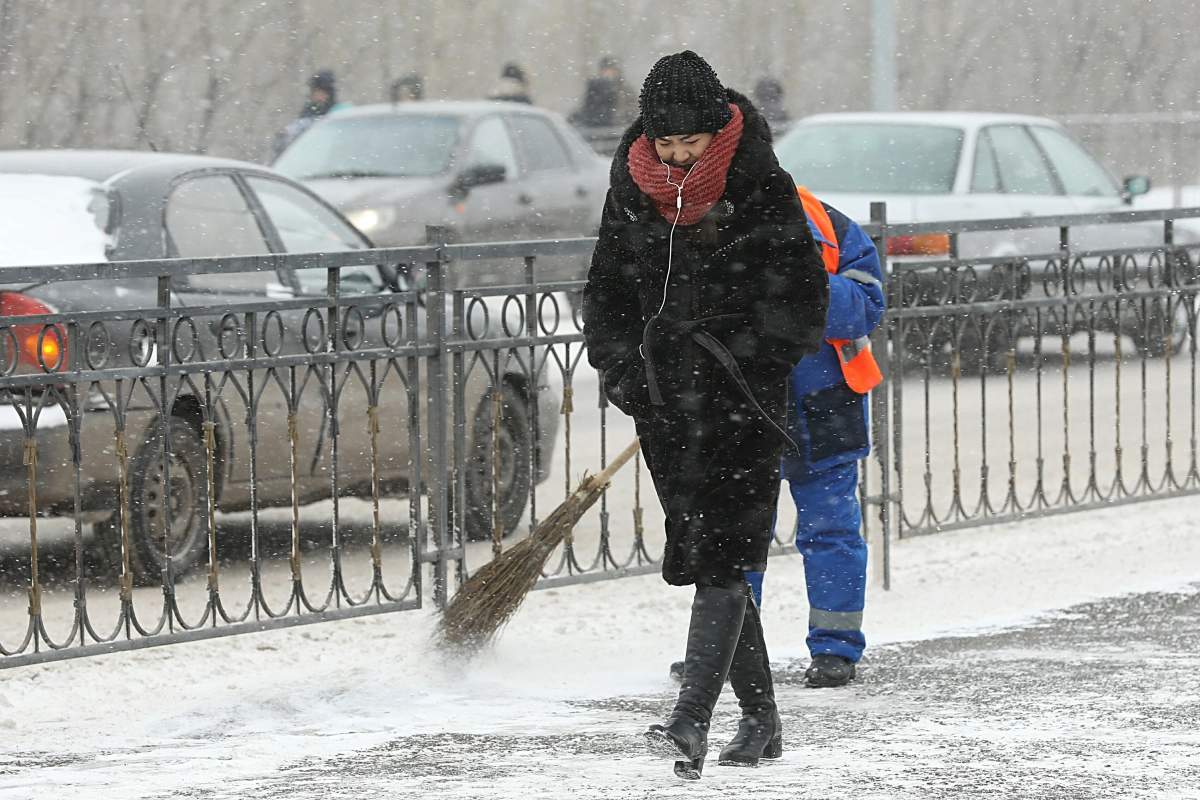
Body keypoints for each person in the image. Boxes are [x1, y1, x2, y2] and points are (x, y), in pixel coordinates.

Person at [582, 51, 829, 779]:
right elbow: (604, 292)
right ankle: (761, 718)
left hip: (741, 402)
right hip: (663, 401)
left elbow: (801, 298)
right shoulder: (629, 191)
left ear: (718, 128)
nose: (678, 153)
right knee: (706, 554)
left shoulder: (762, 187)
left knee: (727, 551)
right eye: (666, 142)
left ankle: (690, 720)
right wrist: (624, 371)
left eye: (690, 141)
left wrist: (747, 358)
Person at [668, 191, 884, 690]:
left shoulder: (829, 225)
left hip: (824, 405)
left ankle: (835, 647)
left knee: (830, 528)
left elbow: (864, 309)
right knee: (734, 536)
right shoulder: (702, 219)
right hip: (740, 406)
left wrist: (801, 283)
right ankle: (726, 651)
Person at [271, 69, 352, 160]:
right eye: (316, 92)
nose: (319, 96)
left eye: (322, 92)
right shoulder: (308, 111)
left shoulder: (339, 113)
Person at [569, 57, 635, 128]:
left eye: (610, 70)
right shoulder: (595, 88)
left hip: (617, 127)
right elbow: (587, 107)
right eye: (605, 70)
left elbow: (632, 110)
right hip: (596, 126)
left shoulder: (625, 89)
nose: (608, 72)